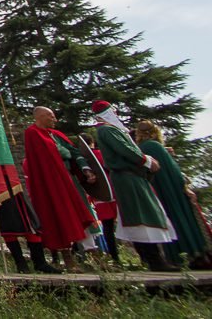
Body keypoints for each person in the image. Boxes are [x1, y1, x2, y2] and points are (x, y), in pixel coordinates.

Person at [92, 100, 179, 272]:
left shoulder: (110, 131)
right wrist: (146, 161)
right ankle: (154, 259)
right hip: (128, 177)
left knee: (139, 216)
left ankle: (150, 257)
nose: (116, 115)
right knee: (142, 215)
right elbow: (125, 150)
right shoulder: (107, 130)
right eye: (113, 111)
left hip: (130, 177)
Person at [23, 107, 99, 269]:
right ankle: (69, 259)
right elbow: (40, 160)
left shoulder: (57, 135)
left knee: (82, 213)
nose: (54, 119)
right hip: (52, 182)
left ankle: (94, 257)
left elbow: (74, 152)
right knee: (60, 215)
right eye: (51, 116)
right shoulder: (32, 133)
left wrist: (85, 169)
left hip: (68, 178)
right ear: (40, 117)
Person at [135, 120, 212, 269]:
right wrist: (186, 188)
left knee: (170, 221)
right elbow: (174, 172)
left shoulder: (140, 149)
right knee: (183, 219)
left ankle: (177, 257)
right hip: (174, 192)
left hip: (159, 194)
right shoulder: (155, 146)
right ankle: (195, 255)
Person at [81, 133, 121, 265]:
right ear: (92, 142)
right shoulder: (101, 154)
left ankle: (115, 257)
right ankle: (142, 255)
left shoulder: (84, 160)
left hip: (99, 196)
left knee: (107, 227)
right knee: (122, 223)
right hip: (113, 192)